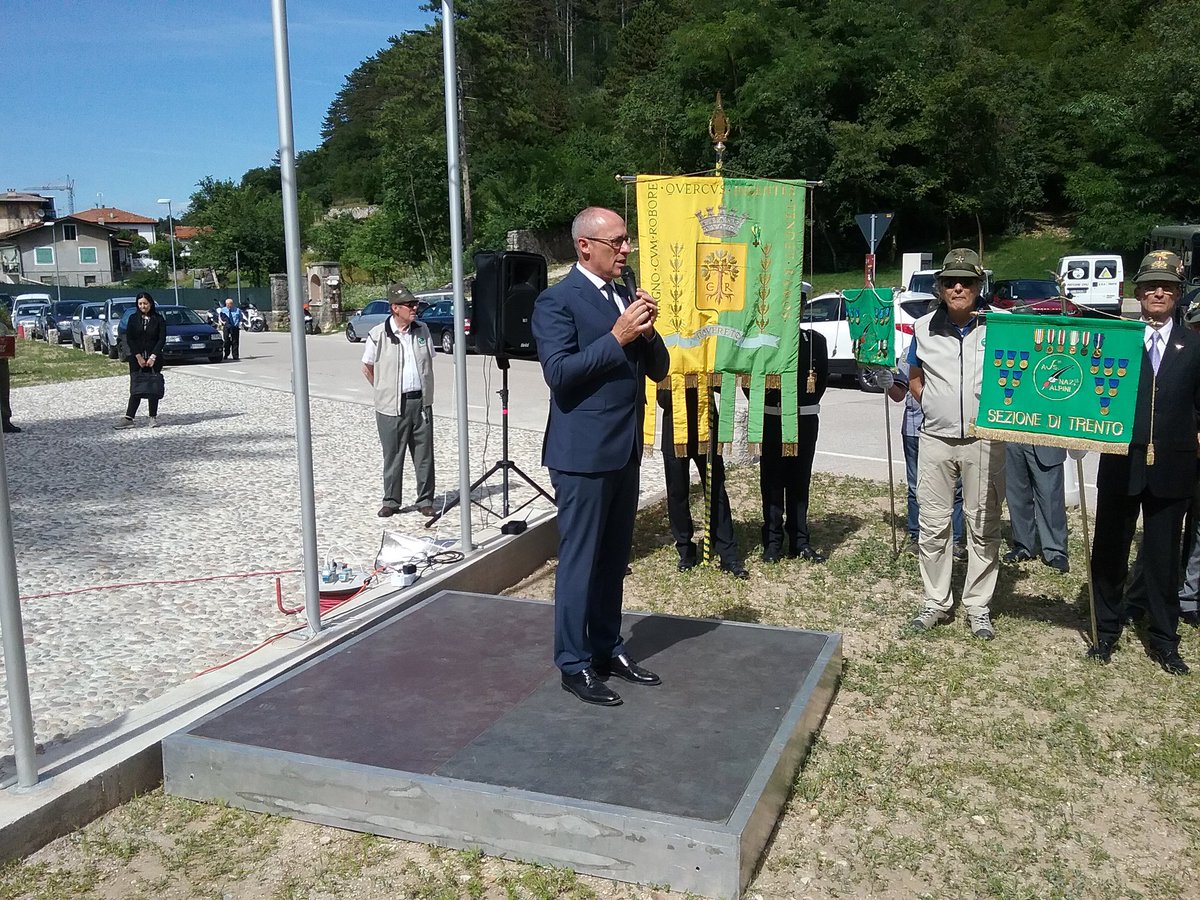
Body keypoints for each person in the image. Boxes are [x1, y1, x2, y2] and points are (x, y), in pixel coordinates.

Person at [532, 206, 670, 707]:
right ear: (585, 246)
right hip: (582, 455)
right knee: (581, 562)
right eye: (618, 242)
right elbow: (560, 374)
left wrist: (647, 333)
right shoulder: (556, 301)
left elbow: (659, 369)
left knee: (614, 560)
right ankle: (573, 663)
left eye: (627, 240)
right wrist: (617, 338)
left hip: (623, 449)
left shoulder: (624, 296)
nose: (626, 249)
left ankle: (607, 648)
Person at [1088, 251, 1200, 675]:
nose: (1158, 293)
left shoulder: (1195, 345)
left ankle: (1165, 640)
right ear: (1137, 294)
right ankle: (1105, 630)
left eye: (1167, 287)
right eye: (1151, 286)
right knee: (1109, 553)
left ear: (1177, 294)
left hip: (1173, 466)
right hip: (1121, 461)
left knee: (1162, 559)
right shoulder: (1118, 340)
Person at [906, 249, 1006, 640]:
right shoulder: (923, 327)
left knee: (983, 524)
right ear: (940, 288)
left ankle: (978, 605)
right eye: (950, 282)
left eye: (966, 281)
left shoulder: (1000, 325)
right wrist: (933, 405)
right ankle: (936, 601)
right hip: (936, 438)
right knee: (933, 525)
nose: (958, 288)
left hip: (985, 439)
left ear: (979, 285)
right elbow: (915, 376)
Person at [361, 283, 436, 518]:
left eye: (415, 304)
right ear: (395, 308)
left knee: (424, 455)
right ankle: (391, 501)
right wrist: (384, 390)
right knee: (393, 455)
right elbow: (367, 367)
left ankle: (425, 500)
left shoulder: (422, 330)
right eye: (409, 305)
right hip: (392, 406)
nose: (415, 308)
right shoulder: (378, 334)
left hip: (421, 402)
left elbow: (428, 362)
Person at [658, 386, 747, 578]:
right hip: (675, 427)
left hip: (706, 424)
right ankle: (685, 549)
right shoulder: (668, 362)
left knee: (716, 489)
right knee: (677, 492)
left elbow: (724, 385)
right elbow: (663, 400)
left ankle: (727, 553)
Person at [759, 321, 829, 563]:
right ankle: (772, 541)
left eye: (797, 305)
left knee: (800, 481)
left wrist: (801, 405)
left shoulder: (814, 341)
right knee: (772, 481)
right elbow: (751, 384)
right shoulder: (764, 342)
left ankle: (800, 540)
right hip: (773, 418)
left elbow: (821, 382)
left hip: (804, 419)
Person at [888, 357, 964, 557]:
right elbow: (898, 395)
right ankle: (917, 536)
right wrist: (887, 382)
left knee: (954, 487)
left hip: (948, 429)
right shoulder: (909, 354)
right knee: (916, 487)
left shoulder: (952, 350)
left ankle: (955, 539)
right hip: (914, 430)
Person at [1003, 442, 1069, 573]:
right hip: (1013, 437)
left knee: (1050, 496)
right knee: (1017, 494)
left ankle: (1055, 550)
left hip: (1046, 440)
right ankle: (1023, 544)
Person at [114, 292, 165, 429]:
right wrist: (138, 356)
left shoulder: (158, 319)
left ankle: (152, 417)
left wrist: (153, 356)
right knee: (136, 387)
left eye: (145, 303)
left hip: (154, 358)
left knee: (152, 387)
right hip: (136, 358)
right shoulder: (133, 318)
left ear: (150, 304)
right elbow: (130, 338)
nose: (143, 306)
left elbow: (161, 339)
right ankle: (129, 418)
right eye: (140, 303)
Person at [0, 304, 19, 434]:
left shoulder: (2, 327)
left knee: (3, 391)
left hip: (2, 362)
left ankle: (5, 420)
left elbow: (7, 342)